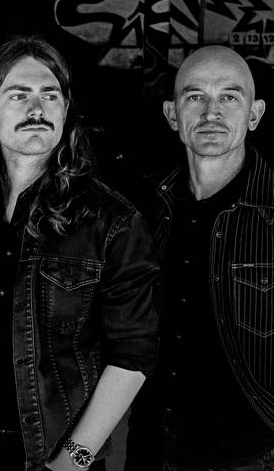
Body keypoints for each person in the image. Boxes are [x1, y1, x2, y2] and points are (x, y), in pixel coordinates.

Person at [0, 35, 160, 471]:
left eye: (49, 95)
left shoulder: (111, 222)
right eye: (18, 95)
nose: (36, 108)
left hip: (56, 456)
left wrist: (71, 462)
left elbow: (133, 354)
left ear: (65, 110)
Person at [125, 45, 274, 470]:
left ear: (254, 114)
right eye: (195, 96)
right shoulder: (141, 209)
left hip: (250, 456)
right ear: (172, 114)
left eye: (229, 96)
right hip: (151, 448)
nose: (212, 112)